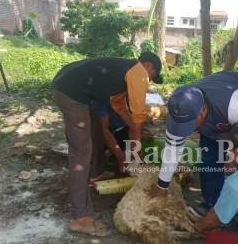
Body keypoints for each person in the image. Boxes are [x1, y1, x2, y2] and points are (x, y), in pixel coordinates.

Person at [52, 52, 163, 236]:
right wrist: (136, 157)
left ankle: (96, 172)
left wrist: (136, 131)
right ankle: (81, 218)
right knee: (80, 153)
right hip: (71, 92)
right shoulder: (139, 73)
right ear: (149, 66)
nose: (149, 80)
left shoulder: (121, 73)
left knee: (94, 128)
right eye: (152, 76)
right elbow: (138, 119)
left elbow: (122, 110)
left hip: (66, 83)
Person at [148, 71, 238, 209]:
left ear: (204, 110)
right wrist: (162, 185)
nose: (188, 130)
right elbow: (172, 150)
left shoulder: (235, 106)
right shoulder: (180, 111)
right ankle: (213, 204)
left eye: (190, 124)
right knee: (209, 160)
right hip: (216, 117)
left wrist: (232, 159)